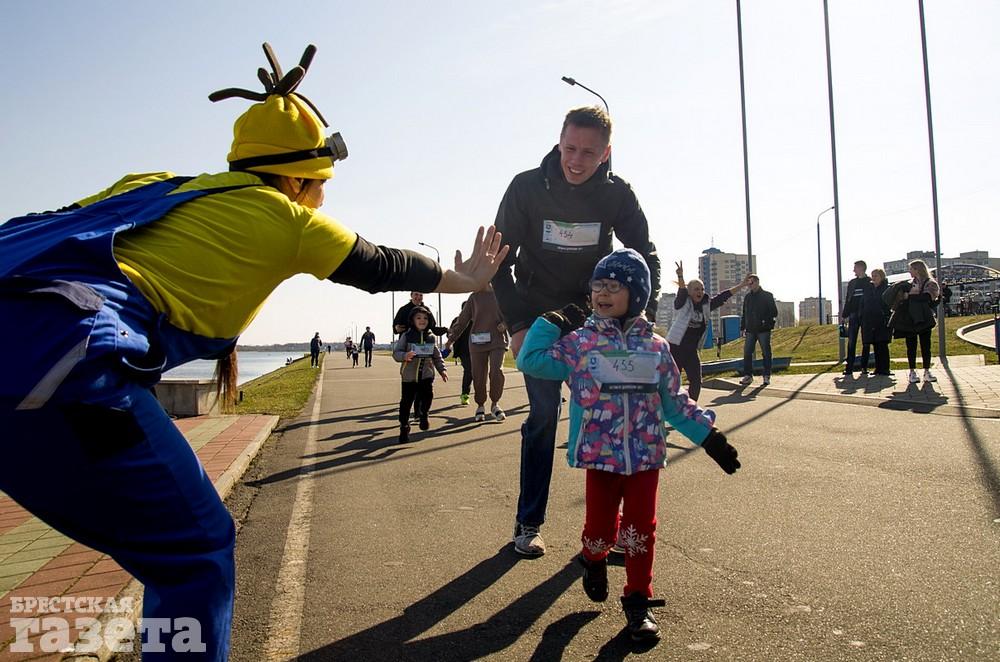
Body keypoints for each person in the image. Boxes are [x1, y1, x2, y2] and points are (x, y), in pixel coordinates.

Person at [0, 42, 508, 661]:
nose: (321, 201)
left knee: (164, 543)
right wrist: (468, 279)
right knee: (195, 549)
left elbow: (50, 231)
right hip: (57, 365)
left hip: (34, 346)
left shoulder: (155, 185)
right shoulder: (282, 215)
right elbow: (380, 265)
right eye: (319, 186)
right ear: (295, 179)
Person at [517, 249, 740, 642]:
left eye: (614, 286)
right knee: (600, 531)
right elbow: (530, 361)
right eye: (598, 285)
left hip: (645, 457)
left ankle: (638, 601)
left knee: (640, 531)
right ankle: (593, 558)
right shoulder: (581, 343)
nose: (602, 293)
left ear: (636, 295)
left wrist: (710, 437)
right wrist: (551, 322)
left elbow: (675, 403)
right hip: (600, 457)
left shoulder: (655, 348)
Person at [493, 105, 661, 557]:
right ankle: (529, 522)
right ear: (559, 140)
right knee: (544, 416)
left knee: (615, 421)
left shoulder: (617, 194)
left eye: (588, 153)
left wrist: (640, 315)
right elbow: (498, 263)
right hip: (541, 322)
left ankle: (612, 531)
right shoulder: (526, 188)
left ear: (606, 153)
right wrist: (518, 325)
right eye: (570, 148)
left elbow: (645, 255)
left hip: (596, 320)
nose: (576, 160)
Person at [667, 261, 750, 401]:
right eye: (696, 289)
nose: (700, 292)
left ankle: (691, 408)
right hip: (675, 347)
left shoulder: (706, 305)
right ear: (690, 292)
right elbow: (681, 292)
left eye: (702, 289)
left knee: (696, 381)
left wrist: (742, 285)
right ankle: (669, 407)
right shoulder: (683, 302)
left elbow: (723, 296)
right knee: (673, 382)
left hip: (691, 350)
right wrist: (680, 276)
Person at [446, 285, 509, 421]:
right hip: (477, 342)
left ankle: (495, 404)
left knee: (496, 371)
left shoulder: (500, 293)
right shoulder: (474, 298)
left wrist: (505, 324)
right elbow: (462, 320)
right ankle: (480, 405)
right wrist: (451, 339)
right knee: (478, 375)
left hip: (497, 340)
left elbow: (511, 314)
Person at [392, 306, 447, 442]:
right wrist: (405, 355)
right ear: (412, 320)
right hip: (409, 377)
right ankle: (404, 426)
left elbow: (437, 356)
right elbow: (396, 353)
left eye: (425, 318)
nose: (422, 320)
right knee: (406, 403)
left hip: (426, 376)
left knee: (428, 397)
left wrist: (442, 370)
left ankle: (424, 414)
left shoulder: (431, 338)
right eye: (419, 318)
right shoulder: (406, 336)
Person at [885, 259, 940, 384]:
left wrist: (909, 296)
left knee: (926, 345)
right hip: (909, 318)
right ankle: (912, 371)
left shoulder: (930, 283)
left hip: (924, 317)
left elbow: (927, 297)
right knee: (911, 345)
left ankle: (927, 371)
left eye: (911, 269)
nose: (909, 271)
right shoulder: (908, 284)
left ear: (917, 270)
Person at [738, 274, 778, 386]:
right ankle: (748, 375)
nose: (749, 285)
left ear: (757, 282)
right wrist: (742, 327)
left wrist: (765, 321)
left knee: (766, 352)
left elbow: (774, 312)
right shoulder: (747, 297)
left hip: (763, 329)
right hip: (750, 329)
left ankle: (766, 375)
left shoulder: (767, 296)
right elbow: (744, 313)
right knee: (747, 352)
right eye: (748, 283)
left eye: (751, 282)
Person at [842, 260, 875, 376]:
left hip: (865, 314)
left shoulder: (869, 282)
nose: (853, 270)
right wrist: (845, 315)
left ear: (861, 268)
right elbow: (848, 299)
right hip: (853, 314)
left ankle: (864, 367)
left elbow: (872, 298)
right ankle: (849, 368)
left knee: (866, 341)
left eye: (855, 268)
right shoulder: (852, 283)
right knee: (851, 341)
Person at [864, 268, 893, 377]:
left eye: (876, 276)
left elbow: (887, 303)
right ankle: (878, 368)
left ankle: (885, 368)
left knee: (882, 344)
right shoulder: (870, 289)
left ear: (882, 277)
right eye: (872, 276)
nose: (874, 278)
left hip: (883, 319)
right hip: (872, 320)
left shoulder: (886, 288)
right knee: (875, 344)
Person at [447, 303, 474, 405]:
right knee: (469, 371)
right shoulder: (457, 320)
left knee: (478, 372)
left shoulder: (477, 319)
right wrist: (450, 335)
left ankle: (481, 395)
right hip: (463, 351)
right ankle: (465, 395)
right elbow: (450, 333)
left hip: (477, 350)